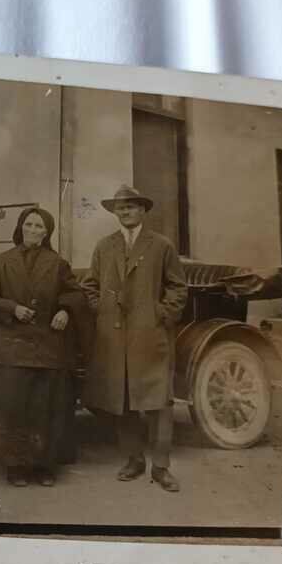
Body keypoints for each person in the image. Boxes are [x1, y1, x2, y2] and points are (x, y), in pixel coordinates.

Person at [80, 185, 188, 492]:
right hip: (114, 340)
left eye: (130, 207)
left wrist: (160, 315)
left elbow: (178, 288)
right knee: (123, 401)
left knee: (158, 403)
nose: (124, 212)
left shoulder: (161, 246)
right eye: (119, 208)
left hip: (150, 336)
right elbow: (90, 285)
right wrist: (100, 309)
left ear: (142, 210)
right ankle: (134, 460)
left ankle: (162, 467)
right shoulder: (105, 246)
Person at [0, 207, 84, 487]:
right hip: (10, 346)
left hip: (46, 346)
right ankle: (15, 466)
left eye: (40, 226)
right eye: (30, 224)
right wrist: (12, 308)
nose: (34, 230)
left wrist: (65, 311)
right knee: (13, 408)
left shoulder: (58, 263)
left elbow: (74, 294)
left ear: (47, 233)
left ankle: (44, 467)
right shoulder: (3, 261)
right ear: (20, 227)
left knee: (45, 408)